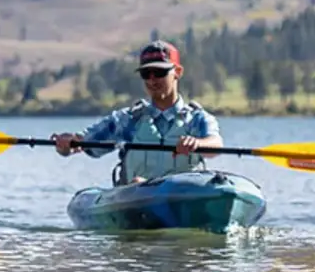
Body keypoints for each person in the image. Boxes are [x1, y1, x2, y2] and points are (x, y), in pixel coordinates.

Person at [49, 40, 223, 185]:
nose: (152, 79)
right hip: (136, 199)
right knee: (138, 183)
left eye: (160, 72)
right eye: (146, 74)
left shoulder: (198, 119)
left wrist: (197, 144)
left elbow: (215, 146)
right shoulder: (126, 120)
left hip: (184, 201)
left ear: (177, 72)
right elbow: (81, 143)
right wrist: (66, 145)